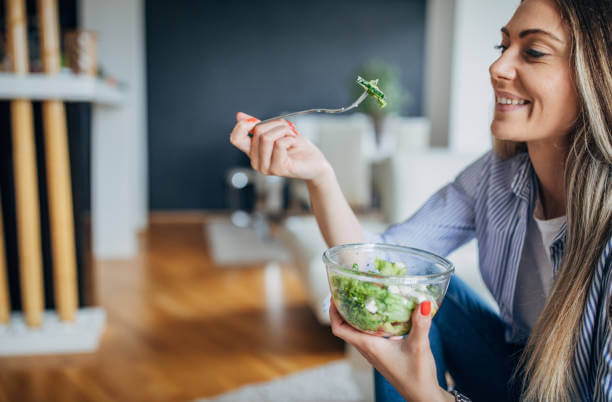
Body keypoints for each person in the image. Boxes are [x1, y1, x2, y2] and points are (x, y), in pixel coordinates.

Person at [229, 0, 611, 399]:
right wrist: (320, 175)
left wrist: (427, 395)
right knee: (406, 290)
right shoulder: (497, 176)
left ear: (597, 76)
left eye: (533, 51)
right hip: (519, 374)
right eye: (503, 47)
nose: (497, 68)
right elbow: (380, 266)